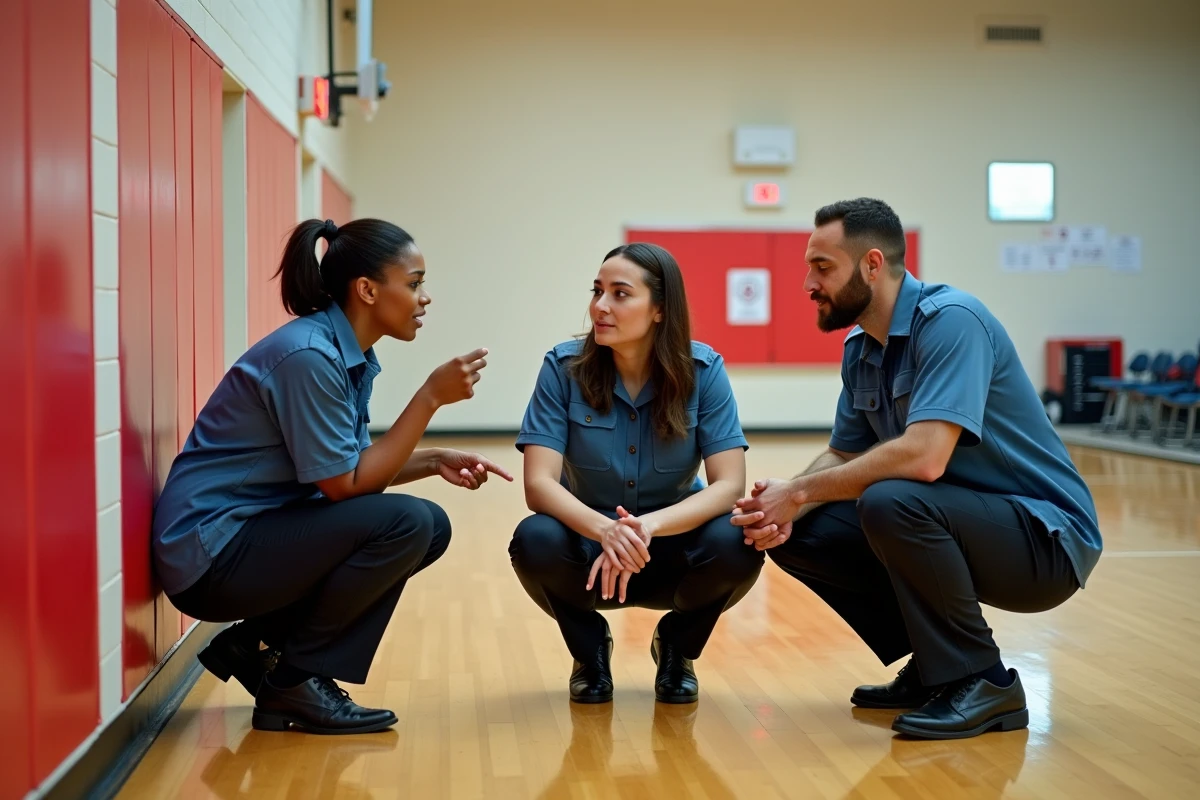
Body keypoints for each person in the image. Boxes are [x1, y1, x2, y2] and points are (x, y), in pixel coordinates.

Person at [732, 198, 1102, 740]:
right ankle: (936, 666)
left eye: (823, 267)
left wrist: (800, 491)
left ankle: (984, 680)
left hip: (1044, 542)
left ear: (872, 265)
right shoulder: (861, 347)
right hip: (956, 520)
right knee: (800, 532)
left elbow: (925, 458)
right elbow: (844, 454)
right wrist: (785, 504)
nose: (809, 283)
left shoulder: (953, 322)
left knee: (890, 500)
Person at [152, 218, 512, 735]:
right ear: (367, 290)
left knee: (430, 526)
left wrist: (433, 460)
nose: (425, 297)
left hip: (249, 536)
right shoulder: (308, 357)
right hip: (212, 553)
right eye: (414, 283)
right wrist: (430, 397)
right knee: (407, 523)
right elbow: (347, 487)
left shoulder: (343, 353)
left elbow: (352, 465)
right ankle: (294, 681)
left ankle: (254, 645)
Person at [509, 242, 764, 705]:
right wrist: (606, 531)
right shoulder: (563, 369)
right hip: (590, 552)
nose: (600, 306)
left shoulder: (704, 371)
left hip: (671, 549)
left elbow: (730, 485)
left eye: (620, 294)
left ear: (660, 309)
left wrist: (646, 527)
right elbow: (539, 484)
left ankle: (677, 647)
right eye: (597, 291)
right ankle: (590, 650)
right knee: (535, 538)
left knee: (738, 541)